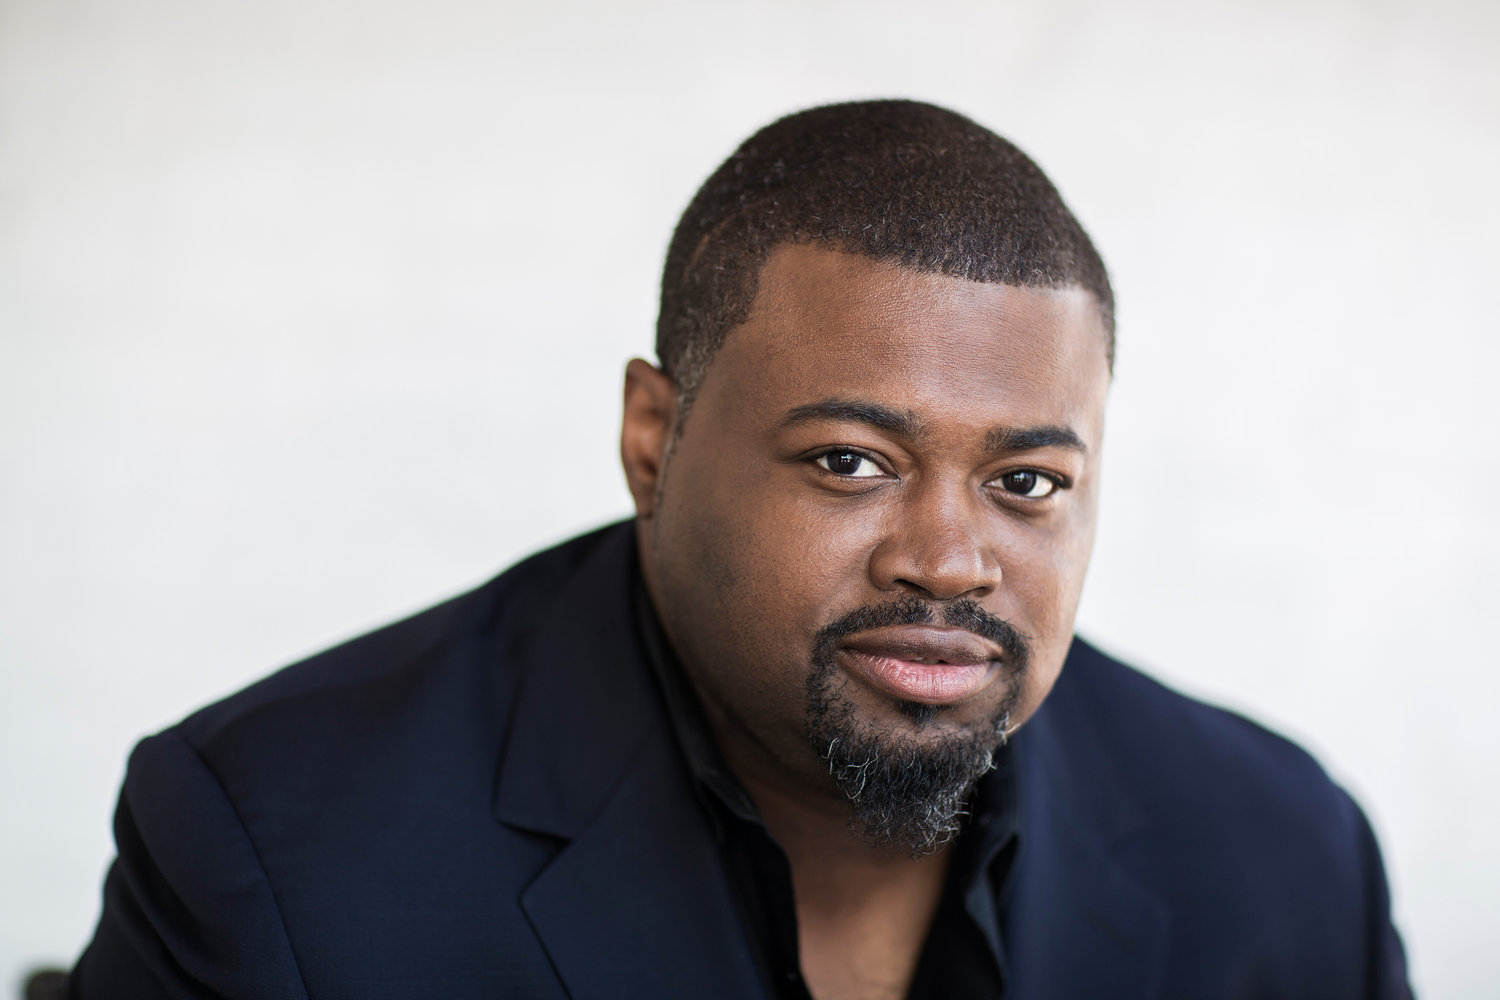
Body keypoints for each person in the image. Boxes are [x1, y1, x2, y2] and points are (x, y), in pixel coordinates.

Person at [67, 100, 1411, 999]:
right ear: (654, 439)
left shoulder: (1286, 861)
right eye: (851, 461)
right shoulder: (276, 853)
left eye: (1026, 482)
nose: (950, 560)